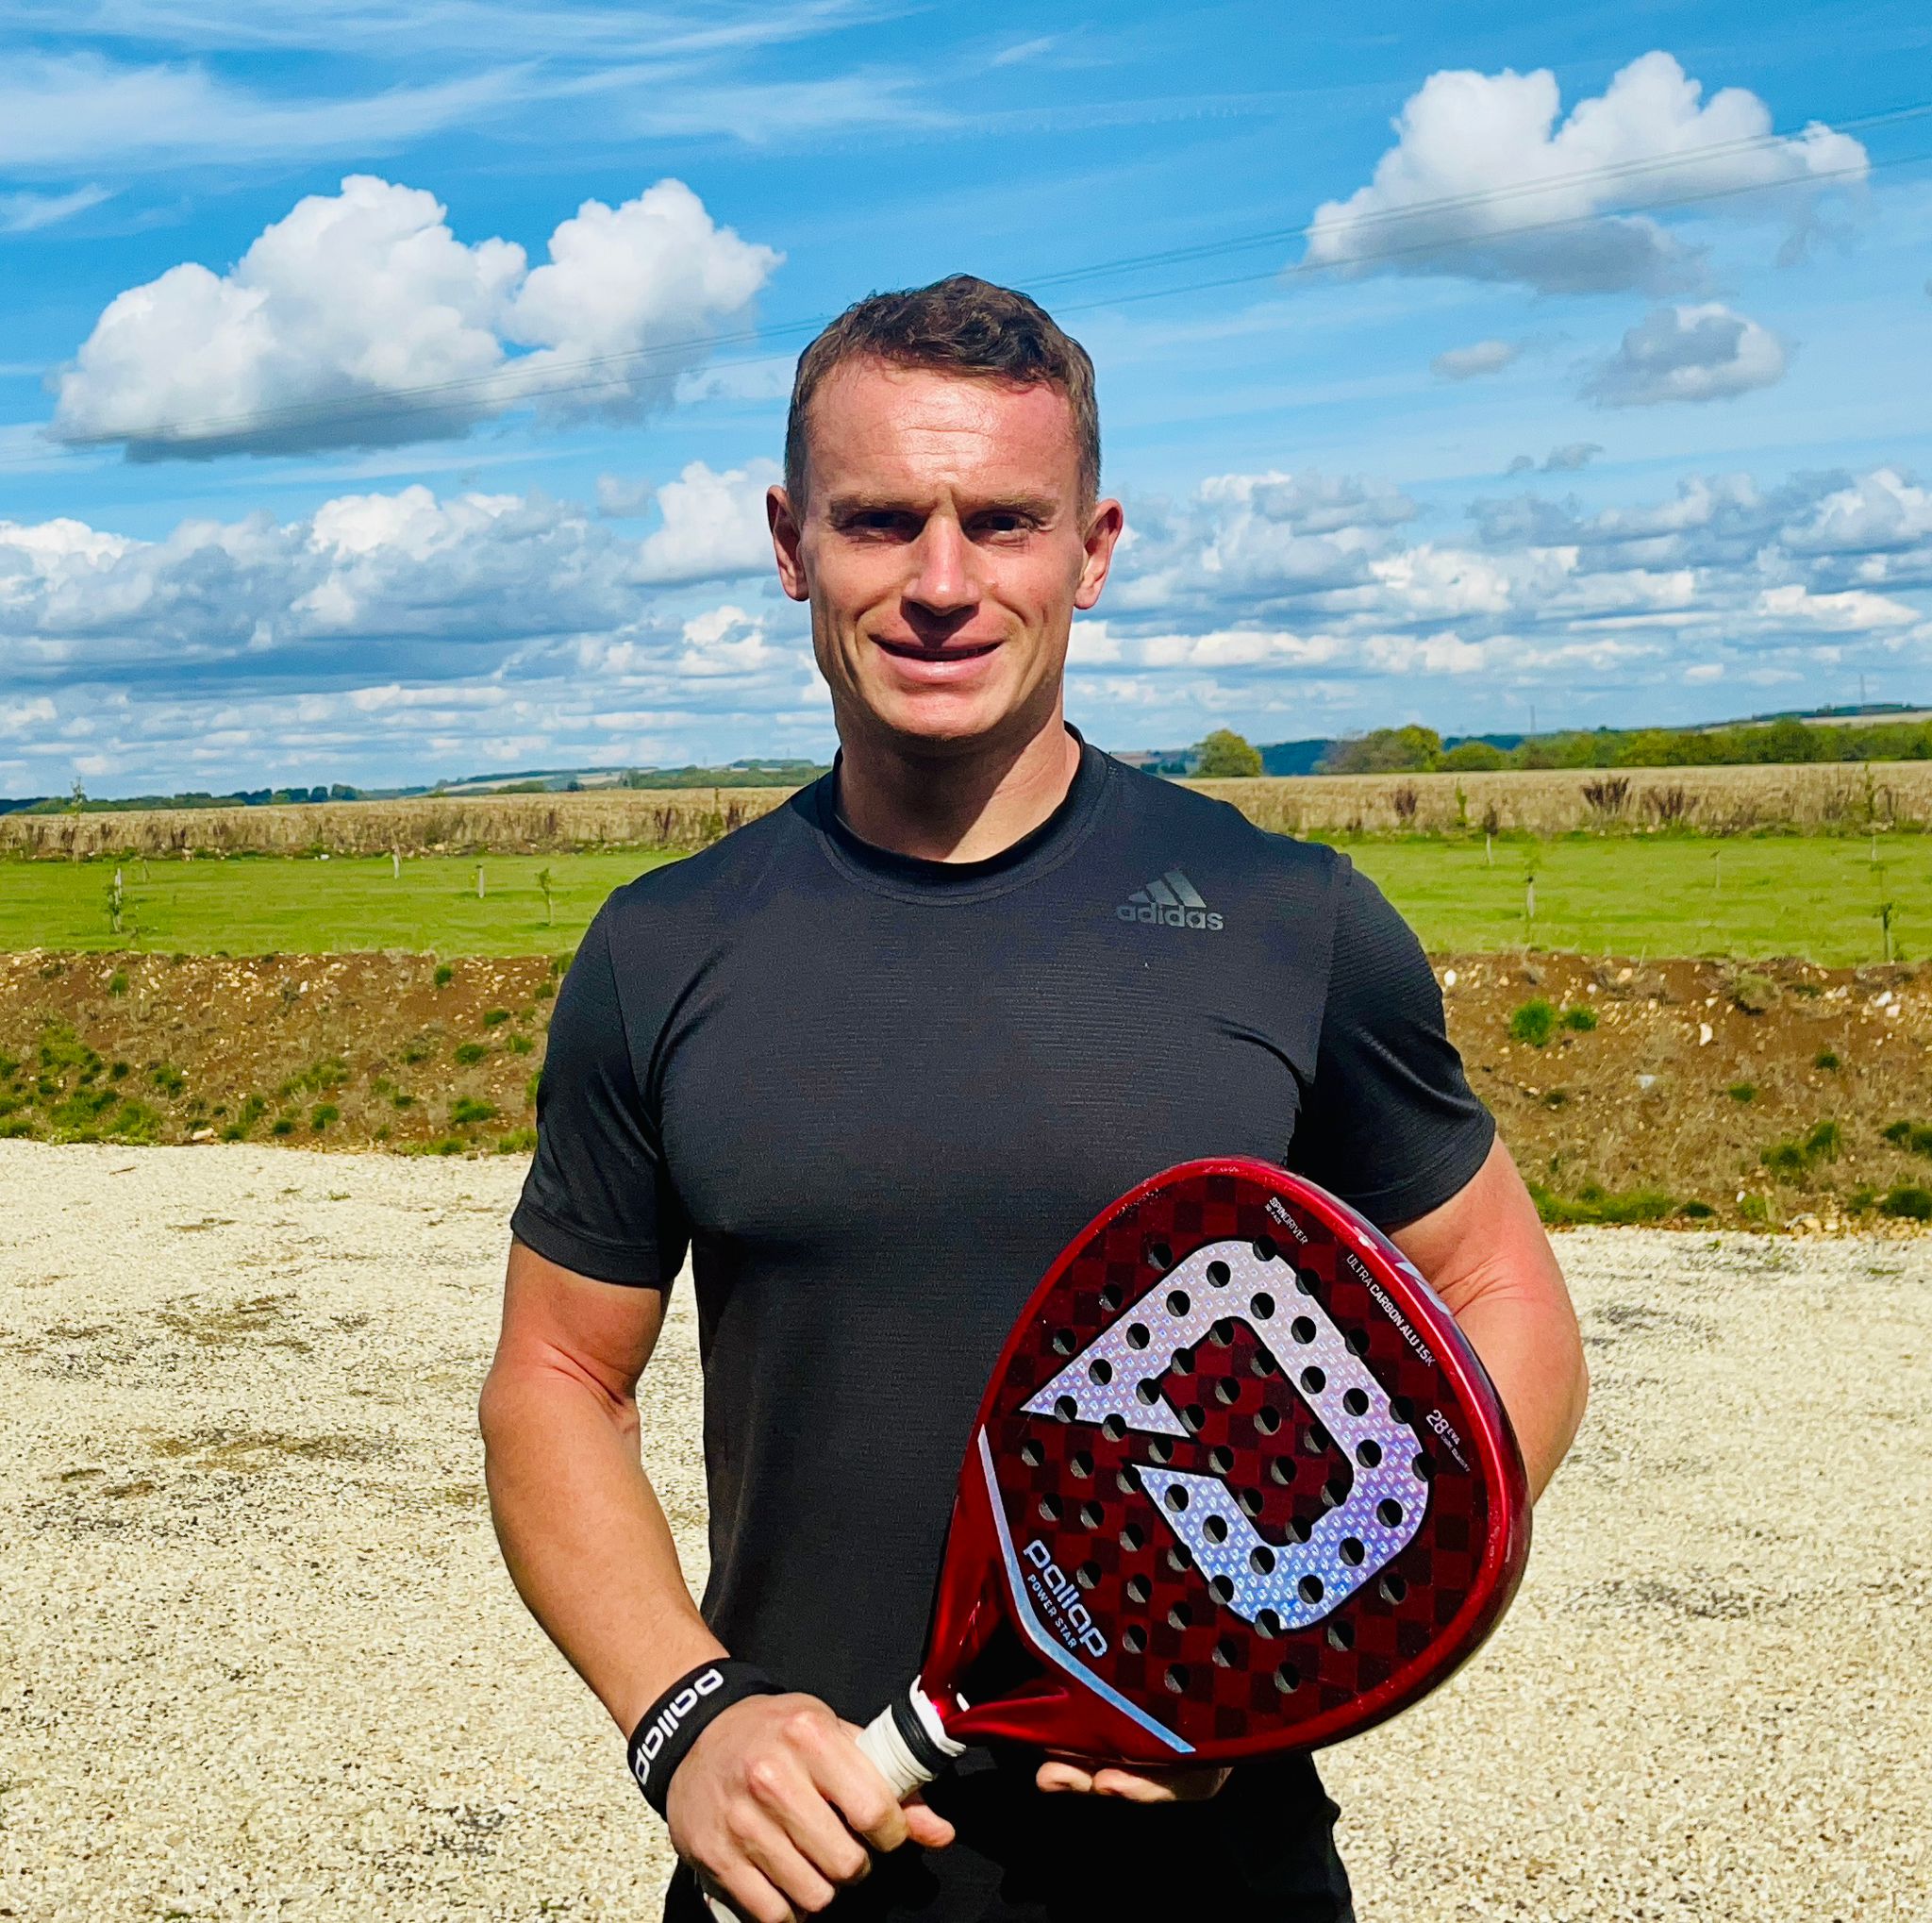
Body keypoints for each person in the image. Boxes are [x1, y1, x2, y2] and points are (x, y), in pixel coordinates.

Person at [480, 276, 1589, 1923]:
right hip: (810, 1891)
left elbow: (1505, 1299)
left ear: (1094, 547)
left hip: (1217, 1890)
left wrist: (1293, 1656)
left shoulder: (1288, 920)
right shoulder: (665, 949)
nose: (943, 583)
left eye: (1004, 521)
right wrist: (685, 1717)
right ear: (790, 542)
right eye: (881, 520)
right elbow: (557, 1379)